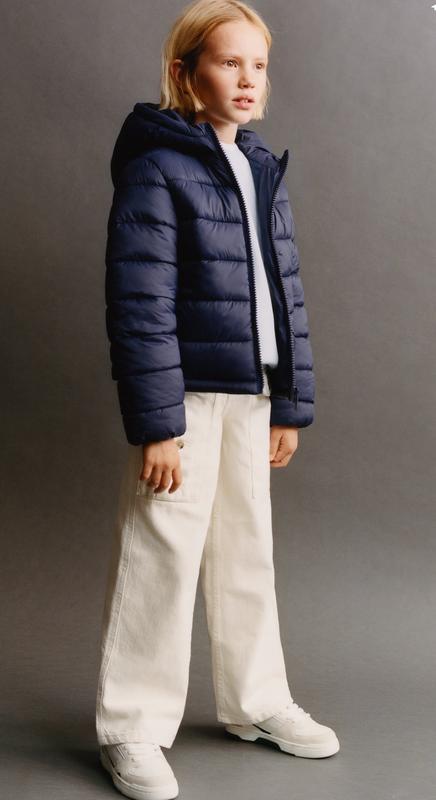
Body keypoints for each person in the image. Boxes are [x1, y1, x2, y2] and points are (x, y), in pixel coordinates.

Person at [95, 1, 340, 797]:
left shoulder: (259, 164)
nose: (247, 79)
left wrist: (287, 400)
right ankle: (131, 727)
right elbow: (141, 303)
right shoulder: (157, 166)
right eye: (229, 62)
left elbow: (283, 293)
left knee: (246, 551)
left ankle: (255, 701)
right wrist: (158, 426)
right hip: (187, 400)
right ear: (185, 72)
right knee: (162, 552)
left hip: (250, 393)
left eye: (258, 65)